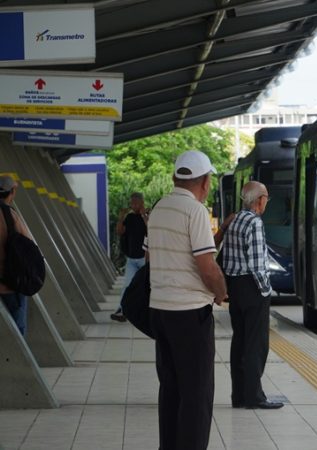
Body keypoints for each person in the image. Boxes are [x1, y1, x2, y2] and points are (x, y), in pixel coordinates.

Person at [145, 150, 228, 450]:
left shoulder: (158, 208)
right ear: (205, 182)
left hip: (161, 311)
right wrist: (221, 292)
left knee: (171, 389)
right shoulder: (195, 212)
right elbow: (207, 266)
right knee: (197, 394)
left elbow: (149, 256)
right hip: (190, 313)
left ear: (174, 177)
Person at [218, 181, 283, 409]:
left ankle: (239, 395)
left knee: (240, 341)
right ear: (259, 200)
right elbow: (256, 264)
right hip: (252, 288)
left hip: (236, 287)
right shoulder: (254, 222)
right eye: (266, 197)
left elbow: (226, 256)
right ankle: (255, 396)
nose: (267, 201)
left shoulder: (235, 220)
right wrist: (265, 291)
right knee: (256, 345)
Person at [0, 176, 33, 335]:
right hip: (10, 284)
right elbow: (29, 245)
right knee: (17, 329)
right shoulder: (10, 215)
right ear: (11, 192)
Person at [111, 192, 148, 322]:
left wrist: (144, 215)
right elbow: (120, 231)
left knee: (146, 286)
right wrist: (121, 218)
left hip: (145, 258)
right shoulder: (130, 217)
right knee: (127, 285)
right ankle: (122, 310)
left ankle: (147, 312)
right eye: (132, 203)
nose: (133, 205)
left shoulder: (148, 216)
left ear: (142, 203)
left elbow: (151, 229)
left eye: (136, 203)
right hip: (132, 258)